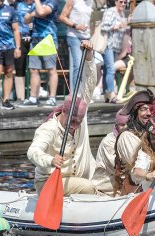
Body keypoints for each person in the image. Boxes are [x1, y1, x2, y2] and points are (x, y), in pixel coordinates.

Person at [27, 40, 98, 196]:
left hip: (79, 179)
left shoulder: (81, 114)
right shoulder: (49, 128)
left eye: (79, 122)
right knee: (88, 187)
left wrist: (89, 56)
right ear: (63, 112)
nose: (75, 126)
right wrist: (50, 160)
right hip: (49, 183)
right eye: (72, 121)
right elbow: (32, 152)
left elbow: (89, 82)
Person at [19, 0, 59, 108]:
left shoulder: (52, 2)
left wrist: (36, 6)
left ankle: (52, 98)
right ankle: (33, 98)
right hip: (36, 39)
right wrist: (32, 14)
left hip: (48, 39)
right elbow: (26, 20)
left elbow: (41, 13)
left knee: (51, 69)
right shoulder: (36, 4)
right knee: (33, 69)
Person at [91, 110, 129, 196]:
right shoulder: (108, 142)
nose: (126, 127)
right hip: (105, 189)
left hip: (124, 188)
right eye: (122, 124)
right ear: (116, 125)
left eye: (128, 124)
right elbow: (117, 169)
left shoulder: (130, 139)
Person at [58, 0, 92, 91]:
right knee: (78, 65)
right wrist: (75, 25)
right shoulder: (73, 1)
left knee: (87, 67)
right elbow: (62, 17)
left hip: (87, 37)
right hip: (74, 36)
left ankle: (84, 93)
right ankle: (76, 94)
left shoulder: (91, 2)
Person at [100, 0, 127, 104]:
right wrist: (115, 26)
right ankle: (112, 94)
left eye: (125, 2)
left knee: (108, 70)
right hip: (108, 44)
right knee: (111, 69)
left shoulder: (123, 13)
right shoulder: (110, 11)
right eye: (121, 2)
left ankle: (106, 94)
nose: (123, 4)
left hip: (116, 46)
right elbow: (103, 26)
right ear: (116, 2)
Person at [13, 0, 34, 103]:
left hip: (35, 38)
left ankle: (34, 97)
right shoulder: (17, 3)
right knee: (20, 68)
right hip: (20, 39)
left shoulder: (38, 4)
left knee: (35, 69)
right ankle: (20, 98)